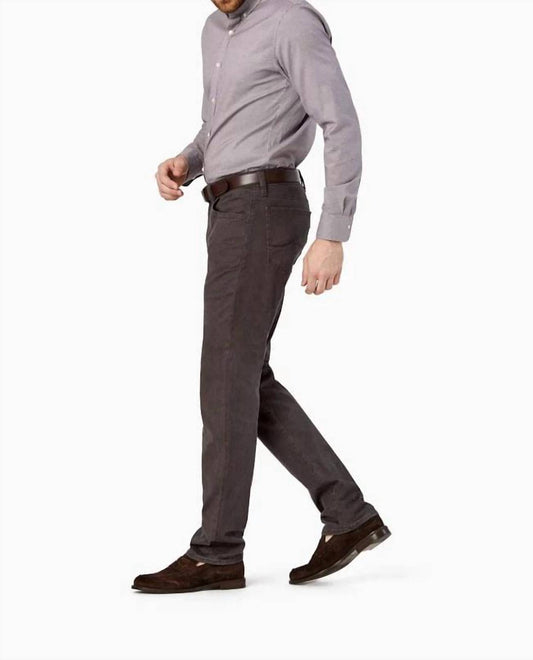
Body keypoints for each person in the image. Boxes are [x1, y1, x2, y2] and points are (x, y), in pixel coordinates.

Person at [132, 0, 390, 594]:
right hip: (228, 209)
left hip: (263, 206)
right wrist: (190, 160)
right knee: (242, 375)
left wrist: (333, 233)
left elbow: (341, 121)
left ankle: (218, 551)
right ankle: (348, 513)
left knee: (227, 375)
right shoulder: (213, 30)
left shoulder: (291, 21)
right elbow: (219, 124)